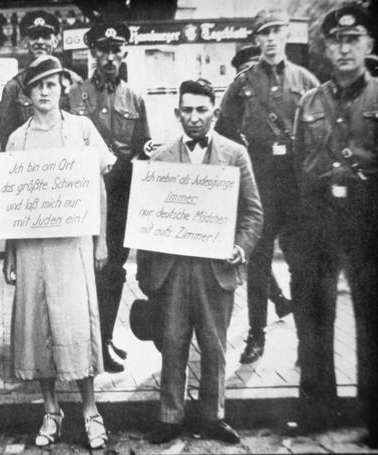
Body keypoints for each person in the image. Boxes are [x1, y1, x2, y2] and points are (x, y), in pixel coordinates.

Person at [138, 79, 263, 445]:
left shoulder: (235, 154)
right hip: (173, 269)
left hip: (216, 269)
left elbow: (253, 212)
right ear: (177, 114)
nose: (194, 117)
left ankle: (213, 415)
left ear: (215, 112)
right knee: (173, 341)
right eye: (187, 110)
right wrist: (147, 275)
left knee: (214, 344)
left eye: (201, 110)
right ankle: (170, 415)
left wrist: (242, 247)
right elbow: (148, 216)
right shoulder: (160, 158)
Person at [3, 55, 115, 450]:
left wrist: (101, 240)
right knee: (38, 324)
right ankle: (51, 408)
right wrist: (11, 254)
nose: (45, 91)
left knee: (76, 324)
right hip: (33, 247)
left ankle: (89, 409)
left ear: (63, 87)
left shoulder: (82, 129)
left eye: (52, 83)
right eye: (38, 85)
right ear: (28, 93)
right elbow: (12, 201)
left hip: (73, 245)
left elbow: (98, 189)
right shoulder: (18, 139)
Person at [291, 5, 378, 444]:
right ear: (326, 48)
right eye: (336, 41)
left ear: (368, 44)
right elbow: (295, 170)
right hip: (318, 218)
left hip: (370, 218)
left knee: (373, 318)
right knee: (314, 315)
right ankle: (318, 410)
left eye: (353, 39)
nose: (344, 49)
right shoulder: (309, 102)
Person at [216, 8, 319, 364]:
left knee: (301, 264)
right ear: (256, 39)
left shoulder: (306, 80)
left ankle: (307, 344)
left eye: (276, 31)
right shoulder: (243, 84)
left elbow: (321, 138)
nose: (271, 39)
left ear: (285, 34)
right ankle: (256, 336)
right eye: (264, 34)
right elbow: (224, 133)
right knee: (258, 265)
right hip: (259, 184)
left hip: (295, 184)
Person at [67, 23, 151, 373]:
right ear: (93, 54)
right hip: (79, 197)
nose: (110, 57)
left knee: (113, 271)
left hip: (118, 199)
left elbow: (144, 151)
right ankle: (79, 342)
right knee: (79, 270)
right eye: (104, 50)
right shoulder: (73, 96)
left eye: (117, 50)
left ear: (124, 54)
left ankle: (103, 339)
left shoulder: (135, 99)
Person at [231, 45, 293, 314]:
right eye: (244, 70)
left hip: (280, 183)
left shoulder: (280, 97)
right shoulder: (235, 100)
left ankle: (281, 301)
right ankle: (271, 310)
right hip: (247, 187)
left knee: (269, 253)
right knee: (255, 254)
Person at [0, 10, 81, 150]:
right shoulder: (14, 87)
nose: (40, 42)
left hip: (66, 163)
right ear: (25, 41)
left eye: (46, 37)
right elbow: (5, 140)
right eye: (34, 36)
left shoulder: (74, 82)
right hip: (28, 163)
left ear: (56, 40)